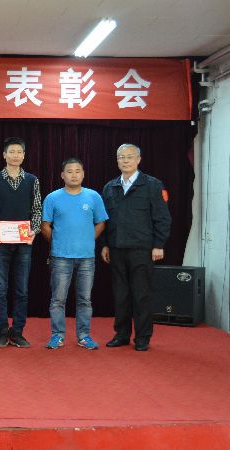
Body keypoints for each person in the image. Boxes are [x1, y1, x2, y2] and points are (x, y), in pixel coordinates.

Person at [101, 144, 171, 351]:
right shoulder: (110, 187)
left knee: (142, 295)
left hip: (142, 249)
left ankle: (142, 338)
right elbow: (104, 220)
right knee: (120, 294)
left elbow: (162, 218)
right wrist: (105, 245)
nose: (125, 161)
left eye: (129, 157)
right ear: (117, 161)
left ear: (139, 159)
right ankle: (121, 334)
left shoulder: (152, 185)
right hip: (116, 248)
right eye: (121, 157)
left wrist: (159, 244)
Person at [41, 157, 108, 350]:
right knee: (58, 300)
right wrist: (57, 242)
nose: (74, 175)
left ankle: (84, 336)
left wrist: (88, 239)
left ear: (83, 174)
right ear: (62, 175)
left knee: (84, 300)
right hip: (60, 257)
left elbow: (101, 222)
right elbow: (45, 225)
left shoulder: (93, 196)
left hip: (86, 257)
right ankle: (57, 336)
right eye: (69, 171)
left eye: (77, 171)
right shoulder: (52, 197)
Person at [0, 137, 41, 348]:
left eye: (19, 152)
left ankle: (17, 332)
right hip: (0, 242)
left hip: (24, 243)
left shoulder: (32, 180)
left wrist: (34, 230)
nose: (15, 155)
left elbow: (37, 209)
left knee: (22, 289)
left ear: (24, 156)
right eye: (11, 152)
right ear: (4, 155)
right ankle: (1, 332)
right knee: (0, 289)